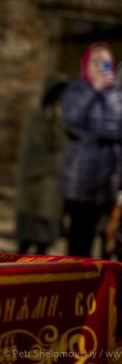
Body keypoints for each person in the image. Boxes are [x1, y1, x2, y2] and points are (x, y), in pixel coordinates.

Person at [60, 42, 122, 257]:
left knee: (108, 237)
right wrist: (93, 90)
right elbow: (72, 118)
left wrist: (107, 92)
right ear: (86, 64)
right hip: (81, 177)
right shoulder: (76, 88)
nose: (100, 67)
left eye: (105, 62)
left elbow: (117, 126)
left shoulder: (115, 93)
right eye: (95, 61)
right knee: (79, 236)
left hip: (108, 178)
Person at [15, 78, 68, 255]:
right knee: (26, 243)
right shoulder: (38, 118)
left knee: (43, 245)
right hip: (34, 190)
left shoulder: (62, 120)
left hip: (50, 193)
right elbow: (44, 147)